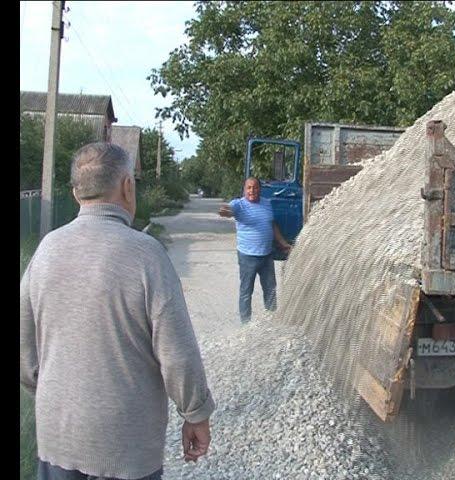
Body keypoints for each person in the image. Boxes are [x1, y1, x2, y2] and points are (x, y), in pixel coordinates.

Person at [20, 143, 215, 480]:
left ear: (76, 193)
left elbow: (23, 343)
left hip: (58, 435)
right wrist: (195, 413)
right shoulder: (146, 255)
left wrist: (54, 391)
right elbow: (177, 352)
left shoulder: (47, 248)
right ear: (127, 186)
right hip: (126, 445)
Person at [219, 177, 292, 323]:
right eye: (249, 188)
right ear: (244, 190)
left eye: (255, 187)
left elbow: (272, 226)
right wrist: (225, 211)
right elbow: (229, 210)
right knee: (246, 292)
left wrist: (284, 243)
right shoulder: (239, 205)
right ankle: (246, 325)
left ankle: (272, 321)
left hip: (266, 255)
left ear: (260, 189)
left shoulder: (266, 203)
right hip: (248, 257)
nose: (252, 190)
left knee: (270, 291)